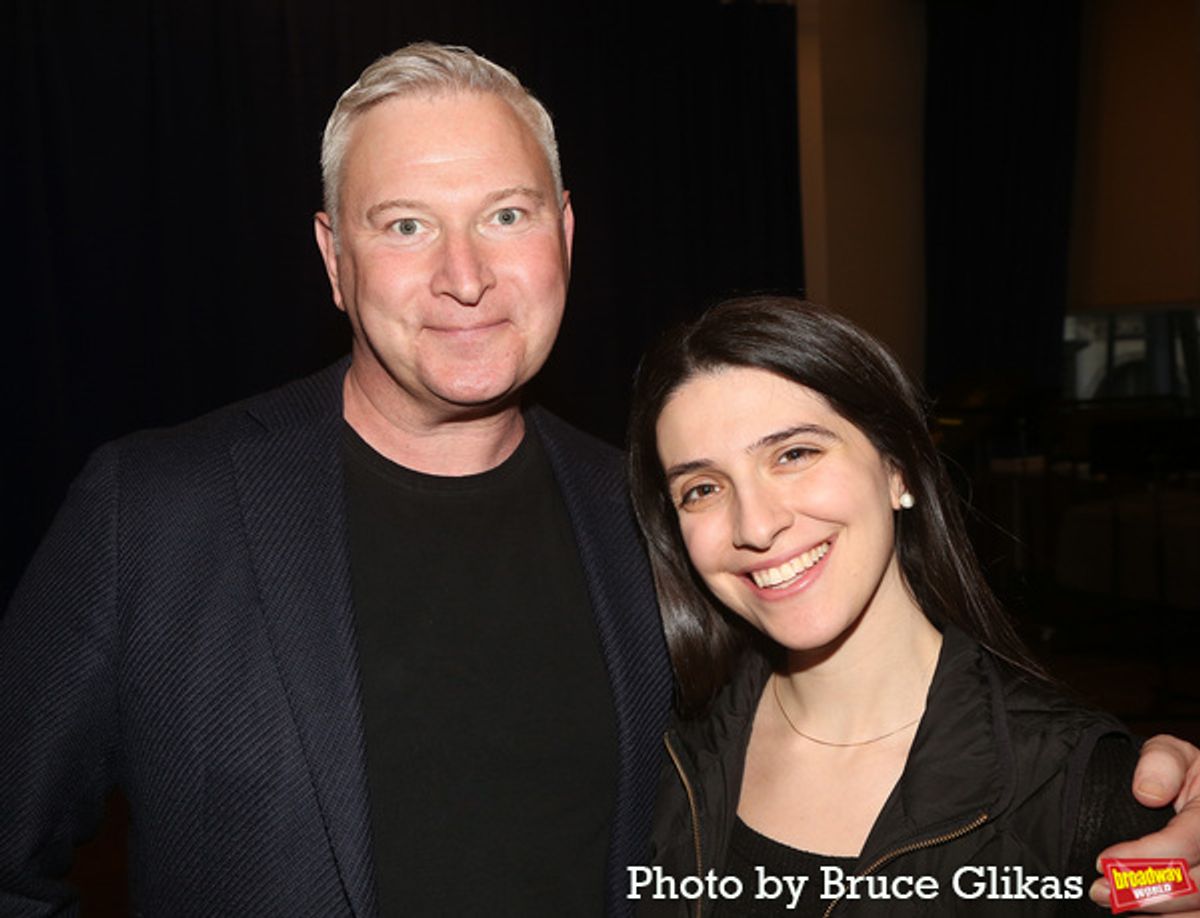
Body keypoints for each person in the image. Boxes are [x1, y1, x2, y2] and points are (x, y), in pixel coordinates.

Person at [0, 43, 1195, 918]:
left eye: (505, 214)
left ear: (565, 235)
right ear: (332, 257)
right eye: (406, 225)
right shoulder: (151, 514)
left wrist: (1151, 830)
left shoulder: (654, 521)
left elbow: (909, 779)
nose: (465, 275)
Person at [626, 296, 1196, 916]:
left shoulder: (1091, 787)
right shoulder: (664, 754)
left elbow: (1170, 891)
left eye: (794, 454)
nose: (756, 526)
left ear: (897, 468)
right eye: (702, 488)